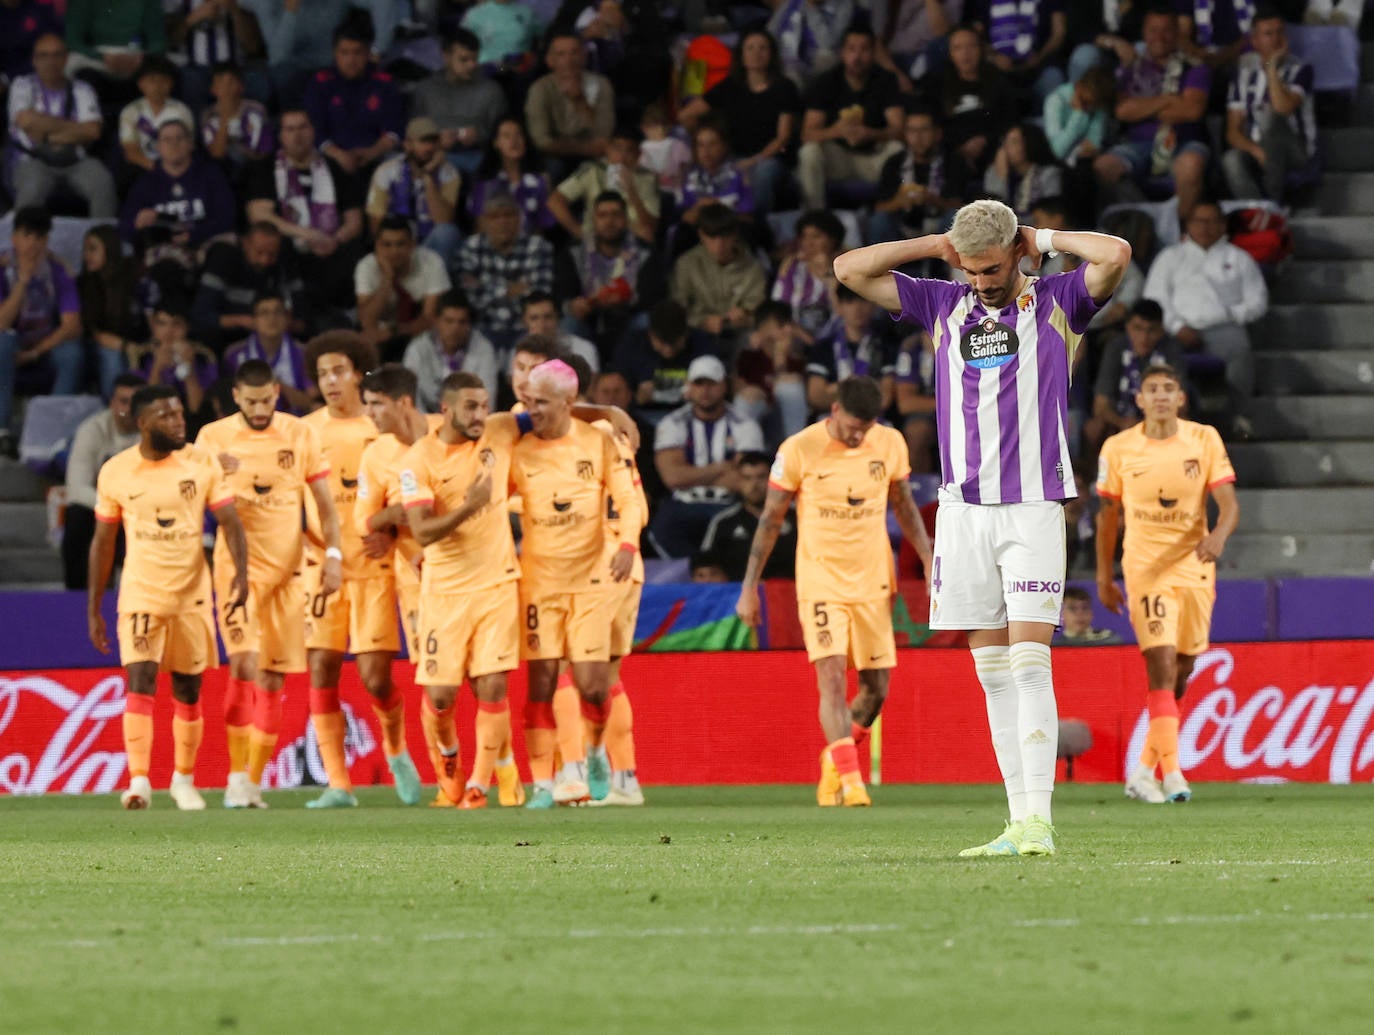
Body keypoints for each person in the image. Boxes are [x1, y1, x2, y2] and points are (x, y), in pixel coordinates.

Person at [834, 197, 1131, 855]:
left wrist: (1045, 235)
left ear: (1018, 253)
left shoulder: (1058, 301)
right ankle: (1017, 820)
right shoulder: (944, 304)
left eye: (991, 269)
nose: (981, 282)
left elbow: (1116, 254)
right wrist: (934, 247)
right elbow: (848, 268)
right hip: (963, 513)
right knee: (994, 671)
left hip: (1033, 506)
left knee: (1029, 661)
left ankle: (1041, 822)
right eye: (971, 270)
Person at [736, 376, 933, 806]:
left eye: (865, 427)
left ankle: (834, 761)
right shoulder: (798, 449)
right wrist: (749, 587)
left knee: (876, 689)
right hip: (821, 579)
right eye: (851, 426)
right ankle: (851, 782)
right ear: (835, 409)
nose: (857, 435)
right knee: (829, 678)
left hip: (874, 581)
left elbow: (904, 505)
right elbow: (770, 520)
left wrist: (929, 557)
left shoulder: (889, 443)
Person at [88, 385, 249, 811]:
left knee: (188, 689)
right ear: (143, 423)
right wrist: (94, 608)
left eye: (180, 414)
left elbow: (230, 523)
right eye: (168, 416)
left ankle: (183, 779)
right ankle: (139, 781)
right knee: (139, 680)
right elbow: (103, 542)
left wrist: (241, 575)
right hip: (141, 592)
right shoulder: (116, 471)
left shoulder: (200, 464)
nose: (179, 422)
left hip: (192, 596)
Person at [195, 359, 341, 808]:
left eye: (267, 400)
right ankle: (236, 774)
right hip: (236, 571)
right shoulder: (212, 439)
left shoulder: (300, 434)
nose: (260, 408)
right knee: (244, 664)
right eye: (251, 401)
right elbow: (185, 499)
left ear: (277, 392)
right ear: (236, 396)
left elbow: (325, 505)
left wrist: (333, 555)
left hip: (289, 573)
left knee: (274, 679)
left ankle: (251, 783)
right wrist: (208, 472)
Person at [1095, 363, 1239, 803]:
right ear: (1139, 400)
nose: (1160, 396)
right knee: (1159, 665)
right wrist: (1104, 575)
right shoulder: (1118, 448)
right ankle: (1174, 774)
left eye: (1168, 389)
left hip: (1194, 566)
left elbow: (1229, 504)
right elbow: (1107, 517)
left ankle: (1143, 771)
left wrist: (1218, 535)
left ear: (1180, 398)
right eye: (1152, 389)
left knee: (1181, 672)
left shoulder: (1204, 439)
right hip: (1145, 569)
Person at [301, 331, 424, 808]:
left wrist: (391, 531)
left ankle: (396, 753)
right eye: (321, 373)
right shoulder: (305, 431)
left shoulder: (381, 427)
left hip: (375, 566)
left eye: (338, 371)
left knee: (375, 678)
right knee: (321, 670)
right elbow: (295, 499)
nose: (330, 381)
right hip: (323, 569)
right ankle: (338, 784)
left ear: (358, 374)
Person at [509, 359, 640, 806]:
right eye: (527, 400)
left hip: (590, 580)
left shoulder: (599, 441)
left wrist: (627, 545)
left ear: (569, 403)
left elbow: (628, 498)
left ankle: (597, 752)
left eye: (540, 402)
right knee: (541, 683)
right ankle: (544, 784)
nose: (531, 410)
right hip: (539, 583)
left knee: (593, 685)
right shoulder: (516, 443)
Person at [399, 370, 529, 808]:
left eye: (484, 405)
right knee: (440, 698)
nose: (480, 415)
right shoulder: (420, 459)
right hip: (444, 592)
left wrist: (607, 411)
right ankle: (450, 763)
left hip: (496, 584)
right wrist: (470, 507)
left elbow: (553, 413)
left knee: (492, 686)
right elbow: (421, 531)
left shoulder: (500, 430)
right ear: (446, 409)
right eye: (470, 407)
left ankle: (478, 784)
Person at [346, 364, 451, 804]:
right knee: (381, 679)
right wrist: (393, 518)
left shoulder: (450, 434)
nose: (368, 413)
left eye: (375, 404)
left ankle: (469, 777)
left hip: (449, 575)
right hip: (391, 573)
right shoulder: (377, 455)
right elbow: (363, 520)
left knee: (462, 683)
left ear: (403, 402)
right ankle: (401, 757)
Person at [1143, 199, 1267, 438]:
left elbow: (1258, 300)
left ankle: (1238, 417)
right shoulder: (1170, 257)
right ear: (1188, 224)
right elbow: (1155, 300)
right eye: (1199, 221)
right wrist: (1177, 326)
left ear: (1222, 225)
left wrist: (1230, 314)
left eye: (1212, 221)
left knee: (1241, 351)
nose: (1205, 227)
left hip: (1224, 328)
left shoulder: (1239, 258)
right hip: (1176, 330)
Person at [244, 109, 366, 315]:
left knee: (355, 251)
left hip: (331, 248)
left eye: (302, 127)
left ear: (313, 131)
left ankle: (349, 314)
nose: (297, 135)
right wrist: (308, 235)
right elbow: (258, 215)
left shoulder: (333, 168)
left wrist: (333, 240)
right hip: (288, 248)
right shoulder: (265, 168)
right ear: (281, 135)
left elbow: (354, 219)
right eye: (290, 129)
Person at [1093, 7, 1210, 219]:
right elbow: (1123, 111)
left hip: (1184, 142)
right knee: (1102, 168)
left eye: (1166, 30)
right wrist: (1169, 99)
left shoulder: (1194, 68)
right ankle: (1140, 221)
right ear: (1144, 34)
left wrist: (1143, 107)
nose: (1159, 37)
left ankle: (1179, 234)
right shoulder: (1132, 68)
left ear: (1177, 33)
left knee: (1191, 165)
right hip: (1139, 145)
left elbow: (1192, 110)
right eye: (1153, 30)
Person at [650, 355, 766, 558]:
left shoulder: (745, 424)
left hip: (728, 503)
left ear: (724, 386)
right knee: (661, 528)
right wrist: (721, 468)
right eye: (699, 383)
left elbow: (744, 480)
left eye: (711, 383)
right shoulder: (672, 424)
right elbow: (673, 478)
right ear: (689, 387)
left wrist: (690, 473)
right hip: (684, 504)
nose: (705, 391)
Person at [677, 30, 800, 216]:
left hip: (770, 158)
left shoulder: (784, 88)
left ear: (771, 54)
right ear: (741, 55)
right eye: (750, 48)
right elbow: (686, 116)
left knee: (762, 173)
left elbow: (783, 138)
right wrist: (704, 139)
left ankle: (755, 223)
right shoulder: (730, 86)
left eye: (762, 48)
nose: (756, 53)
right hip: (732, 155)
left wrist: (754, 160)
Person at [0, 206, 83, 457]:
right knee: (3, 342)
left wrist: (35, 353)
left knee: (72, 353)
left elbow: (72, 325)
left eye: (39, 238)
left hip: (43, 347)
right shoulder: (3, 268)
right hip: (10, 345)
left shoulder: (58, 270)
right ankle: (2, 429)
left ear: (47, 241)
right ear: (14, 238)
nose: (33, 245)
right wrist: (23, 281)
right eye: (27, 236)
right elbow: (2, 323)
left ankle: (52, 431)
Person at [6, 34, 116, 218]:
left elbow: (93, 131)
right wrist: (75, 128)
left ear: (66, 59)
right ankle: (22, 245)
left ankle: (100, 242)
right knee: (33, 187)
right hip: (32, 160)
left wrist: (48, 135)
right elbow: (26, 121)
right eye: (44, 55)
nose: (51, 61)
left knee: (103, 183)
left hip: (76, 160)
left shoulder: (82, 89)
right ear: (34, 60)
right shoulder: (23, 85)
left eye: (57, 55)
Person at [797, 25, 904, 212]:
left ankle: (891, 212)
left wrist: (869, 133)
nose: (857, 56)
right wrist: (837, 130)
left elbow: (899, 129)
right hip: (839, 157)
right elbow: (807, 134)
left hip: (873, 157)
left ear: (873, 53)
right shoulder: (827, 81)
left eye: (864, 49)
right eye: (852, 49)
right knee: (809, 151)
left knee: (898, 149)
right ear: (842, 52)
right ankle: (815, 215)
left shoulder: (885, 80)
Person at [1221, 9, 1315, 204]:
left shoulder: (1301, 69)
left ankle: (1273, 202)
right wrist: (1256, 151)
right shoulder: (1244, 74)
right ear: (1255, 41)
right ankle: (1260, 211)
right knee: (1230, 159)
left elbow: (1282, 109)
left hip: (1294, 149)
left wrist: (1271, 67)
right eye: (1268, 34)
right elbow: (1233, 132)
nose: (1276, 39)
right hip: (1258, 148)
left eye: (1280, 32)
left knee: (1269, 118)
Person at [63, 373, 145, 590]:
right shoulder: (92, 430)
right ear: (112, 403)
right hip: (101, 511)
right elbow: (77, 488)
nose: (128, 409)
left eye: (135, 402)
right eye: (123, 401)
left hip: (142, 513)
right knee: (77, 515)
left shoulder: (153, 434)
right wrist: (114, 506)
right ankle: (77, 595)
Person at [1083, 299, 1188, 462]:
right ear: (1128, 327)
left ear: (1161, 331)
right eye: (1138, 329)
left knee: (1184, 425)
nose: (1144, 337)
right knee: (1094, 428)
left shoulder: (1171, 349)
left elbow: (1181, 405)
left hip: (1159, 418)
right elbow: (1101, 406)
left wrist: (1148, 424)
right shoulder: (1115, 348)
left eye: (1151, 330)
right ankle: (1093, 479)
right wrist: (1123, 422)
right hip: (1121, 418)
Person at [555, 191, 658, 356]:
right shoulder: (573, 252)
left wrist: (624, 301)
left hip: (628, 322)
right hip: (588, 322)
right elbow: (563, 296)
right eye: (602, 215)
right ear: (593, 221)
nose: (609, 222)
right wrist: (575, 306)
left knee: (646, 322)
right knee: (568, 324)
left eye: (616, 215)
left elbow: (652, 299)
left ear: (625, 220)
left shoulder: (644, 252)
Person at [302, 21, 403, 188]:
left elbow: (395, 129)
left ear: (368, 53)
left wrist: (372, 152)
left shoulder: (384, 83)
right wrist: (339, 155)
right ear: (335, 53)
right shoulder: (320, 83)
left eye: (357, 53)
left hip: (377, 157)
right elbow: (314, 129)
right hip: (330, 158)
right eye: (344, 53)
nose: (351, 60)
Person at [456, 191, 555, 350]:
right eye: (495, 217)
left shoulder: (538, 246)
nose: (503, 222)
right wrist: (510, 290)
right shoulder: (471, 248)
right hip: (483, 330)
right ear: (484, 221)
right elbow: (471, 299)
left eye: (509, 215)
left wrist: (487, 288)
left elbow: (538, 297)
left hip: (525, 328)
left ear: (519, 219)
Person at [120, 119, 236, 250]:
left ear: (191, 144)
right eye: (167, 140)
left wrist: (193, 235)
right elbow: (124, 228)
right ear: (158, 146)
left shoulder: (211, 174)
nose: (174, 144)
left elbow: (227, 218)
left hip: (207, 242)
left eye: (179, 138)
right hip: (166, 249)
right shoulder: (146, 183)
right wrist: (137, 223)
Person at [365, 117, 463, 268]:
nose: (430, 147)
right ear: (408, 144)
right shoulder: (387, 171)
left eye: (433, 141)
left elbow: (444, 221)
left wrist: (428, 177)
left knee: (448, 233)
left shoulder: (449, 174)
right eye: (424, 141)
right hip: (397, 246)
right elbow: (376, 223)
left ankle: (435, 285)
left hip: (430, 246)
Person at [192, 223, 307, 352]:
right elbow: (201, 316)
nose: (265, 260)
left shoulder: (285, 262)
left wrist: (278, 323)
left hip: (276, 334)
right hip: (232, 333)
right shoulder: (223, 259)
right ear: (245, 244)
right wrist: (244, 321)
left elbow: (301, 320)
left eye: (272, 254)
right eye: (259, 252)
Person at [355, 214, 453, 362]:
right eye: (387, 245)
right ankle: (371, 382)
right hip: (381, 334)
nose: (394, 252)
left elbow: (431, 318)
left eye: (400, 244)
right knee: (367, 345)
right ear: (377, 246)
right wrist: (387, 279)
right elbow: (366, 320)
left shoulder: (431, 262)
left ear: (412, 244)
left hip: (417, 334)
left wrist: (393, 331)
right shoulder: (366, 267)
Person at [411, 28, 508, 176]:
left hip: (476, 155)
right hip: (432, 154)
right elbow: (413, 132)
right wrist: (436, 140)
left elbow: (503, 133)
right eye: (464, 59)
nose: (471, 65)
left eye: (474, 59)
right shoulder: (426, 90)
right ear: (446, 57)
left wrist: (479, 135)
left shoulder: (491, 90)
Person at [670, 205, 767, 349]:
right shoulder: (687, 264)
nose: (719, 245)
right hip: (696, 332)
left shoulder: (753, 268)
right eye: (712, 237)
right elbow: (676, 309)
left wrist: (746, 319)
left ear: (735, 235)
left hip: (738, 332)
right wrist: (701, 322)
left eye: (725, 237)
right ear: (701, 235)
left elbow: (760, 312)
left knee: (755, 339)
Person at [523, 33, 615, 180]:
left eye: (575, 52)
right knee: (554, 167)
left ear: (584, 56)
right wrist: (584, 149)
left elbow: (603, 135)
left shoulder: (600, 84)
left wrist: (580, 101)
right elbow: (542, 141)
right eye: (561, 54)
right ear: (550, 60)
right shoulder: (540, 89)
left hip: (592, 153)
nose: (569, 60)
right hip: (555, 155)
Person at [547, 127, 660, 245]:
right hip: (596, 234)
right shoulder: (592, 170)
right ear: (608, 149)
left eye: (629, 151)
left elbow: (651, 226)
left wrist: (632, 191)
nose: (622, 157)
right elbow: (554, 201)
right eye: (617, 149)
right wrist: (578, 232)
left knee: (645, 234)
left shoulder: (647, 178)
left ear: (637, 155)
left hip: (630, 236)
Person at [871, 107, 967, 245]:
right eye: (912, 131)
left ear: (937, 133)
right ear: (905, 135)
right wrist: (899, 201)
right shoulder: (894, 162)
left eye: (924, 130)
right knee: (879, 220)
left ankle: (948, 266)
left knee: (955, 218)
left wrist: (931, 200)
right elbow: (879, 207)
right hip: (901, 230)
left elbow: (960, 207)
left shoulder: (954, 162)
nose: (918, 137)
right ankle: (882, 266)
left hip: (940, 230)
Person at [701, 450, 797, 581]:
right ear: (738, 481)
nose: (754, 485)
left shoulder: (797, 517)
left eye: (761, 477)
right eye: (747, 478)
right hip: (737, 597)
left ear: (773, 478)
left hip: (791, 594)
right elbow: (706, 568)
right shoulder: (724, 523)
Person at [805, 284, 896, 416]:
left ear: (874, 304)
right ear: (839, 307)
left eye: (863, 300)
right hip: (831, 419)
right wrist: (867, 391)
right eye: (849, 301)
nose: (857, 308)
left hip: (874, 422)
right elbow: (816, 397)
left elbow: (885, 399)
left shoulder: (886, 346)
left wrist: (835, 388)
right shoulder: (823, 347)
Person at [77, 225, 146, 400]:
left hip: (137, 339)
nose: (87, 256)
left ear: (109, 248)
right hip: (100, 345)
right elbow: (95, 332)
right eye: (85, 250)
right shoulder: (85, 283)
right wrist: (127, 347)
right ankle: (115, 408)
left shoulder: (132, 273)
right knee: (112, 356)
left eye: (93, 249)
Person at [220, 292, 315, 414]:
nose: (272, 318)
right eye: (264, 313)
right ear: (254, 320)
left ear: (287, 318)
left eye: (278, 312)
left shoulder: (304, 353)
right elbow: (228, 404)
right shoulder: (234, 354)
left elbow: (312, 404)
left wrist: (277, 384)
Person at [131, 301, 219, 433]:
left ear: (186, 327)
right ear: (153, 327)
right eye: (162, 323)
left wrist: (189, 370)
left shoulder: (203, 357)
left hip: (190, 425)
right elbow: (144, 406)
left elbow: (196, 408)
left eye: (176, 324)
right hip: (154, 423)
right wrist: (157, 368)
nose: (169, 331)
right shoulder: (142, 357)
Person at [403, 291, 500, 408]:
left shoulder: (483, 349)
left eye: (462, 322)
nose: (455, 328)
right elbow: (411, 399)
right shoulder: (418, 349)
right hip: (427, 422)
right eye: (449, 321)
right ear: (436, 321)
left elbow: (487, 401)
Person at [467, 117, 555, 237]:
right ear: (496, 143)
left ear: (525, 141)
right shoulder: (485, 181)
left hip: (529, 248)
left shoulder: (539, 181)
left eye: (518, 135)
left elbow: (542, 227)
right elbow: (481, 227)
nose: (514, 141)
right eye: (507, 136)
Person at [771, 210, 846, 341]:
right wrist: (803, 336)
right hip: (795, 336)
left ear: (833, 239)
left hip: (835, 339)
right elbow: (777, 307)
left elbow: (846, 315)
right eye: (804, 237)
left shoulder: (846, 266)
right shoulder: (791, 265)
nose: (808, 243)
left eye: (816, 236)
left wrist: (827, 276)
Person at [119, 55, 195, 176]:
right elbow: (131, 151)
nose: (158, 86)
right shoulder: (130, 111)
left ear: (171, 84)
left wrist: (171, 169)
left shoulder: (181, 111)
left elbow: (187, 148)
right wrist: (157, 170)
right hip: (143, 166)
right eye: (152, 80)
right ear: (140, 84)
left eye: (164, 80)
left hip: (176, 165)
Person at [980, 123, 1064, 221]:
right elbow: (992, 216)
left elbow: (1050, 218)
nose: (1006, 148)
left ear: (1030, 143)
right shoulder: (994, 173)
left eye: (1014, 142)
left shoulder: (1049, 175)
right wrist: (1000, 178)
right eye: (1004, 143)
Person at [520, 290, 600, 376]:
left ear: (557, 318)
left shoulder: (583, 348)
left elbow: (589, 388)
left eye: (548, 317)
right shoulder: (517, 353)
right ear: (524, 322)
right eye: (534, 318)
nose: (542, 325)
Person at [1054, 586, 1123, 645]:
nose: (1080, 613)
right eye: (1072, 608)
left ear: (1091, 613)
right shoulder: (1055, 647)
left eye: (1085, 608)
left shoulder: (1110, 640)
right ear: (1061, 614)